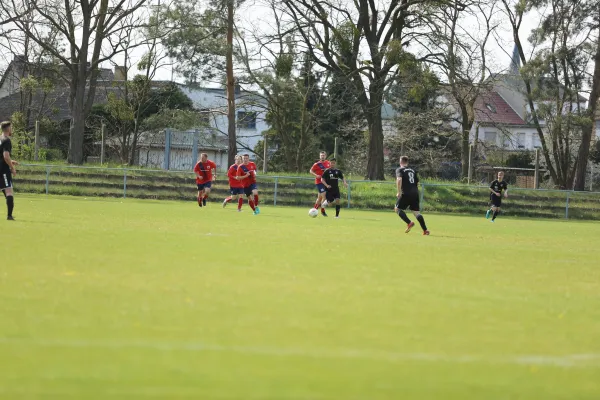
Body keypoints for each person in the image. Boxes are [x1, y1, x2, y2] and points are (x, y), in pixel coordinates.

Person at [395, 156, 429, 235]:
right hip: (415, 193)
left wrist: (399, 191)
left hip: (406, 193)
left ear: (400, 162)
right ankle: (425, 230)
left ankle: (409, 223)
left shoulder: (399, 169)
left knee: (397, 209)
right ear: (407, 162)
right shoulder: (413, 171)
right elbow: (417, 183)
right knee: (416, 213)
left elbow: (399, 179)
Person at [0, 121, 18, 220]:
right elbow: (6, 156)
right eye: (11, 127)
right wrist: (12, 167)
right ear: (9, 128)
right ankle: (9, 216)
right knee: (9, 192)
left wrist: (11, 161)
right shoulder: (6, 140)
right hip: (3, 170)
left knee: (6, 192)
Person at [309, 151, 331, 217]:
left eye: (323, 155)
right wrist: (316, 175)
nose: (322, 156)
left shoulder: (328, 163)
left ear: (325, 156)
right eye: (321, 155)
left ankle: (314, 209)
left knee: (319, 198)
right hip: (319, 182)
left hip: (326, 182)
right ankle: (322, 211)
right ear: (319, 156)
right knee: (324, 196)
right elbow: (311, 171)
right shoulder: (317, 164)